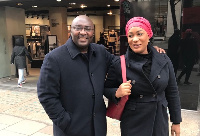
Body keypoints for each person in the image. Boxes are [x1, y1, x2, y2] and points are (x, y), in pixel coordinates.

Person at [37, 15, 166, 136]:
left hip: (97, 127)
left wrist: (148, 51)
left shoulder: (99, 52)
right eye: (78, 28)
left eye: (88, 29)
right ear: (71, 30)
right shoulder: (54, 58)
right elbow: (46, 95)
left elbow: (122, 62)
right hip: (71, 129)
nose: (83, 32)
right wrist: (64, 121)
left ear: (93, 32)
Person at [104, 17, 182, 136]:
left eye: (139, 34)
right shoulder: (119, 63)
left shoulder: (163, 59)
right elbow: (105, 89)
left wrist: (176, 121)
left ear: (149, 35)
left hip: (159, 119)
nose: (135, 39)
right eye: (130, 36)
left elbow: (172, 91)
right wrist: (116, 92)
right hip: (133, 121)